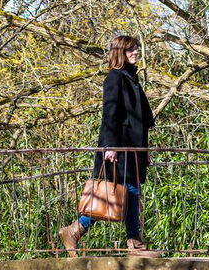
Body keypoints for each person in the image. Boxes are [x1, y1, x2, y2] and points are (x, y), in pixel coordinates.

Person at [59, 34, 157, 256]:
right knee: (127, 190)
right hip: (119, 148)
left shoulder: (131, 78)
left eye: (135, 49)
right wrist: (110, 146)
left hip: (133, 150)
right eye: (131, 50)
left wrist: (145, 151)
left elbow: (140, 121)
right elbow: (110, 115)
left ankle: (75, 230)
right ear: (119, 53)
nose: (135, 53)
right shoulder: (115, 78)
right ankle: (133, 243)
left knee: (130, 191)